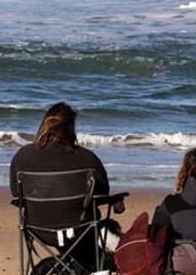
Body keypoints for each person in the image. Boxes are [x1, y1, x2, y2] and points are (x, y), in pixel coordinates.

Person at [9, 102, 121, 265]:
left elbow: (16, 193)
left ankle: (72, 260)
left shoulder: (22, 156)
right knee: (90, 212)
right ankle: (91, 259)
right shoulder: (86, 158)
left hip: (39, 230)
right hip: (80, 230)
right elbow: (102, 193)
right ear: (71, 127)